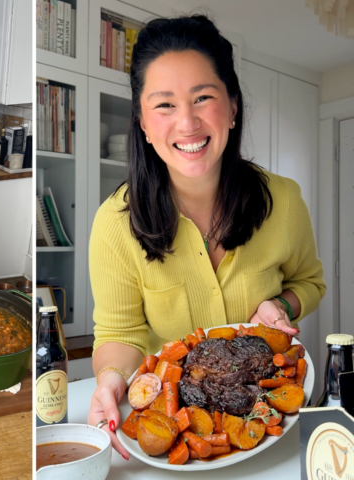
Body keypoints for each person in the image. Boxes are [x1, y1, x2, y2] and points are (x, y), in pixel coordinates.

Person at [85, 15, 326, 460]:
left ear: (232, 106)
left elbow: (310, 283)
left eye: (203, 97)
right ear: (141, 120)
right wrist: (111, 382)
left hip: (275, 423)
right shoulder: (114, 223)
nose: (188, 123)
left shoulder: (285, 200)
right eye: (165, 105)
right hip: (181, 431)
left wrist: (282, 305)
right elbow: (119, 332)